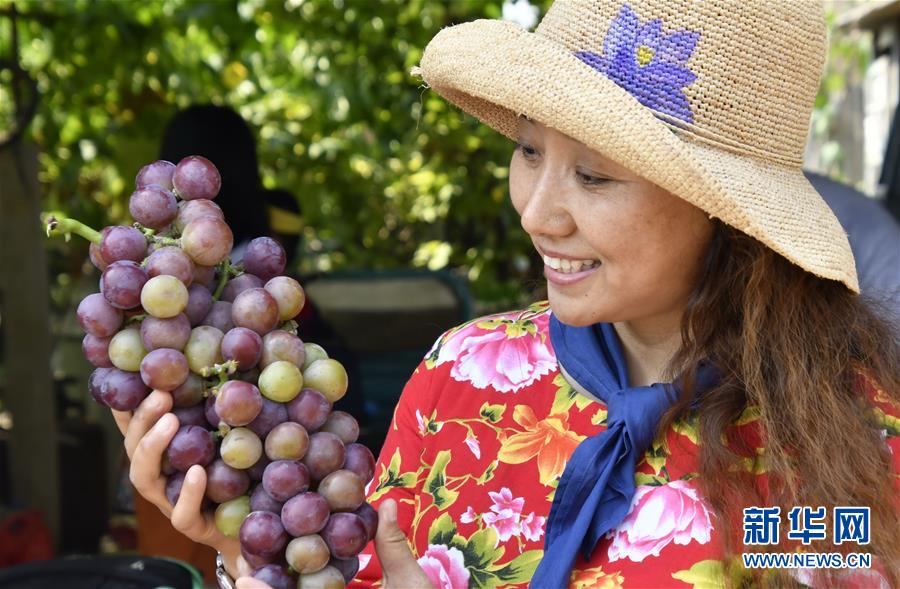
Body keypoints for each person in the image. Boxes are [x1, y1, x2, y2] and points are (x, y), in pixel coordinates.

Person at [114, 1, 900, 588]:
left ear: (726, 212)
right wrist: (238, 544)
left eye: (593, 174)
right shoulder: (462, 375)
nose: (536, 211)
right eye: (528, 149)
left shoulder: (851, 447)